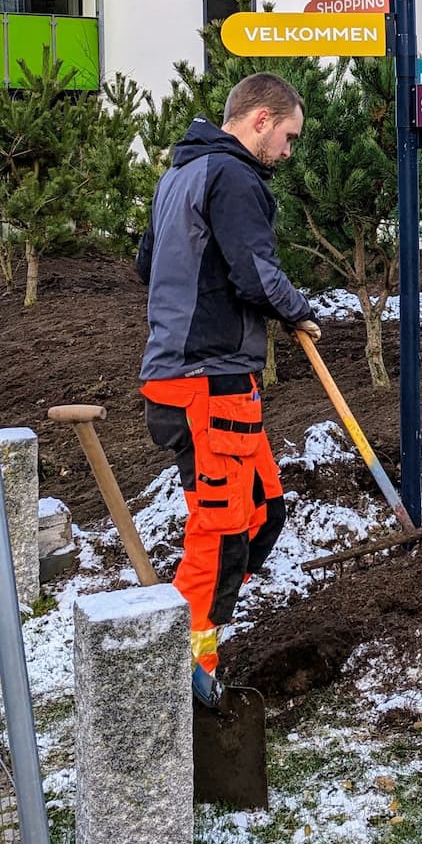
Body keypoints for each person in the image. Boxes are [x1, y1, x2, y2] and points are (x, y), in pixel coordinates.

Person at [137, 73, 322, 709]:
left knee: (264, 509)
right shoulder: (234, 176)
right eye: (289, 138)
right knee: (221, 533)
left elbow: (148, 264)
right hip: (205, 383)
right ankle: (190, 668)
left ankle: (193, 632)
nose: (289, 155)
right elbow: (254, 273)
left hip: (193, 377)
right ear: (261, 119)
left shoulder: (178, 177)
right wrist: (298, 309)